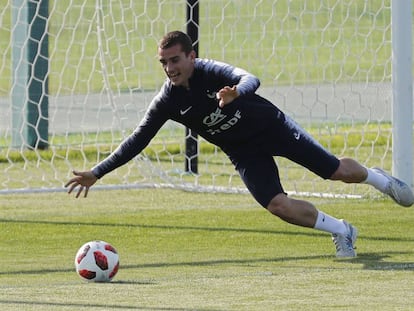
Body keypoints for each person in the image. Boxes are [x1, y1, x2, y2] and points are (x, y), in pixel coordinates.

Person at [65, 30, 414, 258]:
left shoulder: (212, 71)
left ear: (191, 57)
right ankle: (342, 230)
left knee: (337, 171)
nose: (169, 68)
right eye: (164, 63)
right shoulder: (166, 101)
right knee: (278, 206)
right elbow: (137, 139)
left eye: (175, 60)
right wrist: (97, 172)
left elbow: (251, 78)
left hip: (272, 127)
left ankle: (381, 180)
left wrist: (236, 92)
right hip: (243, 151)